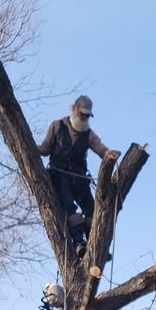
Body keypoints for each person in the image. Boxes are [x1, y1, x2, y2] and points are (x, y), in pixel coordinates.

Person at [36, 95, 119, 254]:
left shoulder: (88, 134)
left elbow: (99, 148)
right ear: (74, 109)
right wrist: (32, 147)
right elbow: (45, 148)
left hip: (80, 177)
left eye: (88, 116)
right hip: (59, 175)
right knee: (68, 206)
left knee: (91, 208)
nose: (85, 118)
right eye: (83, 114)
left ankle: (95, 244)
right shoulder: (57, 126)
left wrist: (109, 155)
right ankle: (79, 242)